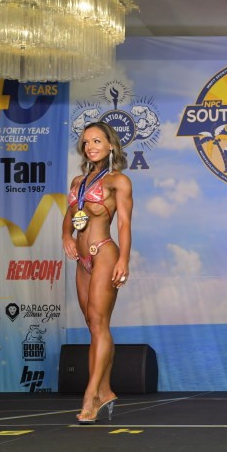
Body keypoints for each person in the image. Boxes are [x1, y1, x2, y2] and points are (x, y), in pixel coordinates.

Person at [62, 122, 133, 424]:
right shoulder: (78, 181)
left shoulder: (118, 181)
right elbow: (70, 216)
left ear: (110, 145)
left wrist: (124, 260)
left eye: (97, 141)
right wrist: (66, 236)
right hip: (82, 260)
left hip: (104, 252)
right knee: (92, 324)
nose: (90, 146)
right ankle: (105, 391)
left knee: (100, 322)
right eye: (86, 142)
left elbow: (125, 224)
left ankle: (90, 395)